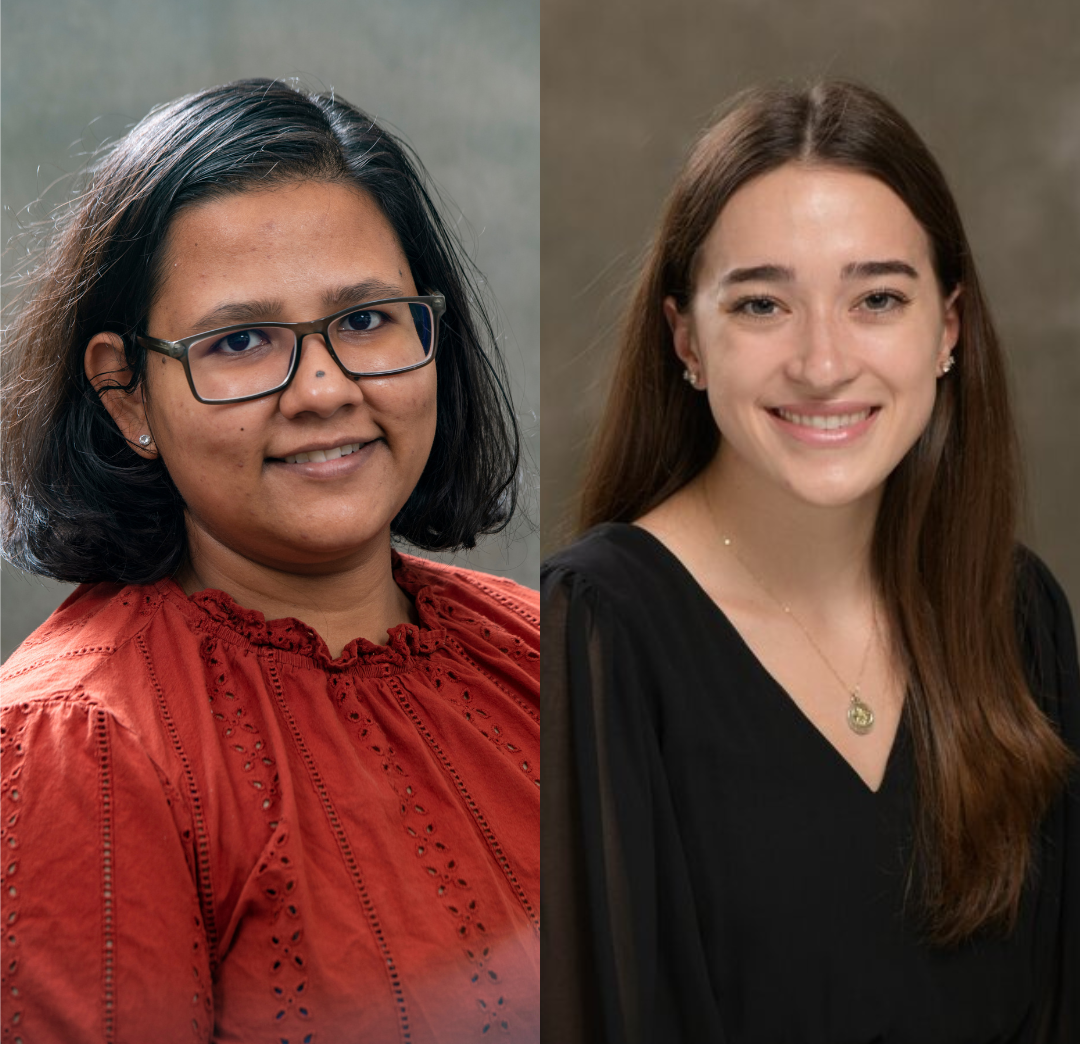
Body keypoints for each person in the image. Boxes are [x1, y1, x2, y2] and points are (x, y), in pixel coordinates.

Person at [1, 79, 539, 1043]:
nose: (325, 389)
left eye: (368, 320)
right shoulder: (77, 743)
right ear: (126, 397)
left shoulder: (548, 651)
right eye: (241, 341)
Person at [541, 80, 1078, 1044]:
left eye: (877, 298)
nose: (823, 363)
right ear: (687, 341)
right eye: (761, 304)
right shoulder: (594, 634)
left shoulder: (1017, 613)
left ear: (947, 329)